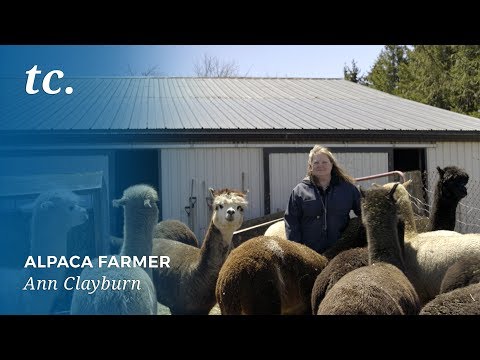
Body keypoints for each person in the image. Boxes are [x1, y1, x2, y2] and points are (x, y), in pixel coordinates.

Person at [284, 145, 361, 253]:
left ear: (332, 164)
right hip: (310, 253)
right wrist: (297, 251)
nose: (320, 165)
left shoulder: (348, 189)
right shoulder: (299, 191)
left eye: (324, 162)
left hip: (340, 252)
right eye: (316, 163)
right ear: (310, 166)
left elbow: (363, 212)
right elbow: (291, 222)